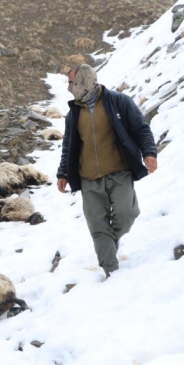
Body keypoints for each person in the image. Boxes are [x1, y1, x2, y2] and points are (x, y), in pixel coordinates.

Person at [56, 64, 157, 278]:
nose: (69, 88)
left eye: (72, 82)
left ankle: (110, 242)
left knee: (126, 214)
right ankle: (111, 273)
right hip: (88, 178)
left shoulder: (119, 102)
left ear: (84, 81)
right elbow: (69, 146)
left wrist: (149, 153)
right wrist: (63, 173)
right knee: (98, 227)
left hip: (119, 171)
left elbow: (141, 128)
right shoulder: (73, 114)